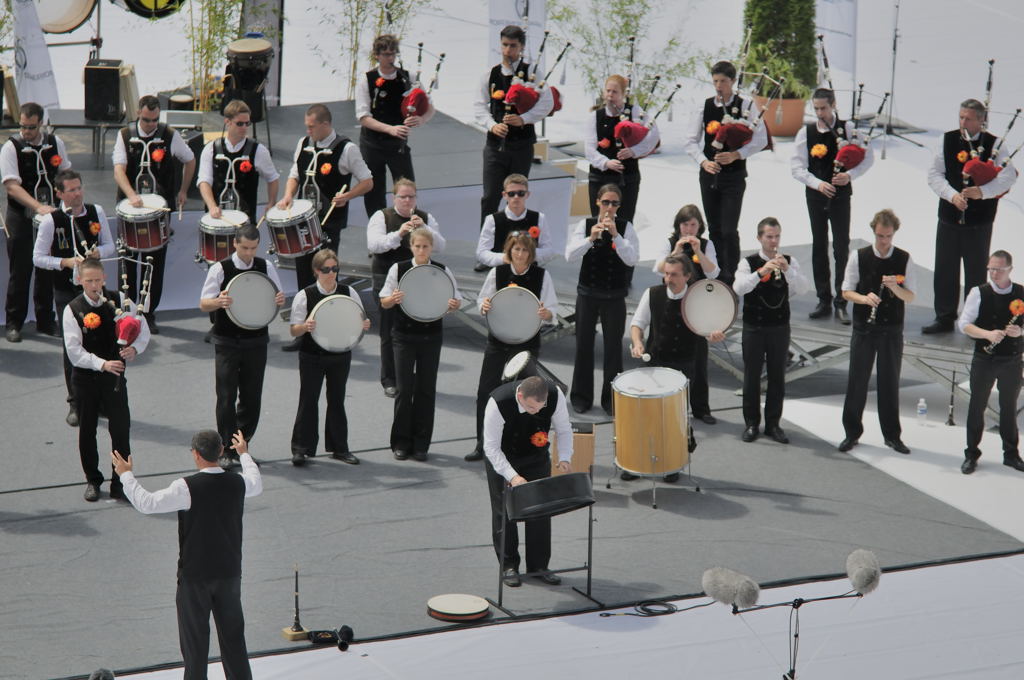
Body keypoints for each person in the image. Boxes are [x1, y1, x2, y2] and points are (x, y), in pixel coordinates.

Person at [111, 429, 261, 680]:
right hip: (229, 573)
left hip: (195, 578)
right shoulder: (238, 483)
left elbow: (147, 503)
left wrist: (126, 475)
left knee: (195, 647)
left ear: (195, 454)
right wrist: (244, 454)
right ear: (221, 451)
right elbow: (255, 481)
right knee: (234, 640)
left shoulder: (186, 487)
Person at [923, 98, 1017, 334]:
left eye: (968, 118)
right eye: (961, 117)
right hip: (949, 217)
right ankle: (944, 317)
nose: (963, 122)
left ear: (981, 120)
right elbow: (934, 174)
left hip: (979, 221)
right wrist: (951, 195)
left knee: (976, 272)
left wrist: (982, 192)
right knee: (945, 268)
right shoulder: (947, 140)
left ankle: (973, 321)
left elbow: (1008, 178)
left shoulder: (995, 144)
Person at [33, 170, 117, 426]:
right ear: (59, 193)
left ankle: (101, 399)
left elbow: (109, 245)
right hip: (67, 291)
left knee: (101, 340)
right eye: (71, 190)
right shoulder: (52, 220)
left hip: (93, 289)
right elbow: (38, 257)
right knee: (73, 346)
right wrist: (66, 262)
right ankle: (76, 402)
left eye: (79, 187)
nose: (77, 193)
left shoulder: (96, 211)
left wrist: (96, 253)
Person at [466, 231, 559, 462]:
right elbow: (482, 300)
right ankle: (482, 443)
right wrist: (484, 305)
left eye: (525, 250)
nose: (520, 254)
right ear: (509, 251)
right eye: (516, 249)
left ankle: (516, 444)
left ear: (531, 254)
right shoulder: (496, 273)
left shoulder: (542, 276)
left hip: (527, 344)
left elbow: (552, 311)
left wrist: (547, 313)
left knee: (523, 395)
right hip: (497, 341)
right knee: (486, 392)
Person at [63, 258, 150, 502]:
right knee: (87, 430)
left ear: (105, 279)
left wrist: (136, 349)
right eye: (89, 280)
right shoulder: (73, 309)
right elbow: (74, 352)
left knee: (121, 429)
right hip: (86, 379)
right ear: (79, 280)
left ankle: (120, 482)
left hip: (114, 379)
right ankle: (93, 479)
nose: (94, 285)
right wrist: (102, 364)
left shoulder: (119, 301)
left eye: (98, 280)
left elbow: (141, 328)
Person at [198, 224, 284, 465]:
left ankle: (241, 446)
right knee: (225, 395)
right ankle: (225, 449)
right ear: (235, 244)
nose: (249, 253)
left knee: (252, 396)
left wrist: (279, 298)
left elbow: (276, 296)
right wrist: (218, 301)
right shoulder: (220, 268)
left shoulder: (265, 266)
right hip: (227, 340)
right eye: (245, 247)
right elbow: (204, 304)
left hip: (256, 339)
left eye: (253, 248)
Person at [112, 94, 196, 334]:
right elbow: (119, 170)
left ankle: (148, 313)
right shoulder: (125, 135)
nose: (151, 124)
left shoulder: (169, 135)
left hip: (159, 210)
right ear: (139, 113)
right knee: (127, 260)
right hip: (130, 209)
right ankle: (127, 312)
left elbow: (189, 160)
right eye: (147, 120)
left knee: (154, 263)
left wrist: (182, 190)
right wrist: (130, 195)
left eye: (155, 120)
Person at [791, 88, 874, 325]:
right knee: (819, 246)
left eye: (823, 108)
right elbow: (797, 167)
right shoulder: (806, 132)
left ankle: (842, 300)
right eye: (816, 109)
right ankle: (823, 298)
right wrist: (817, 184)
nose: (820, 113)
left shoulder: (848, 129)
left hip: (840, 196)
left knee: (840, 247)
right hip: (816, 196)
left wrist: (850, 176)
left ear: (833, 105)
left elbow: (867, 157)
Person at [379, 227, 461, 461]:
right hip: (403, 336)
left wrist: (453, 304)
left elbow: (456, 299)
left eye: (426, 246)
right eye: (418, 246)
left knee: (426, 390)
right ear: (411, 247)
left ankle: (422, 443)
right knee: (404, 390)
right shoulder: (399, 269)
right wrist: (391, 300)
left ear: (431, 247)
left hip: (431, 336)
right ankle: (401, 442)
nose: (422, 250)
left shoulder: (442, 271)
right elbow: (384, 301)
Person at [837, 209, 915, 455]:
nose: (884, 241)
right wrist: (863, 298)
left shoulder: (904, 258)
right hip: (864, 329)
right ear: (874, 232)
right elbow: (846, 291)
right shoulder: (858, 256)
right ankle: (851, 433)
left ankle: (892, 436)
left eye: (888, 236)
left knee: (889, 382)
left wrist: (896, 288)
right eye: (881, 236)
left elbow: (910, 296)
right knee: (857, 381)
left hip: (891, 329)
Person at [483, 375, 572, 587]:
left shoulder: (554, 394)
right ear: (520, 396)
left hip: (536, 456)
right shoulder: (498, 402)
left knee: (541, 509)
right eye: (532, 407)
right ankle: (508, 565)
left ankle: (539, 566)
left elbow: (564, 429)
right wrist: (512, 476)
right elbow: (491, 448)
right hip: (504, 457)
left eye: (541, 407)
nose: (538, 412)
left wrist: (565, 457)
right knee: (504, 511)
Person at [629, 255, 726, 451]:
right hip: (654, 362)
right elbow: (637, 324)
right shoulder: (652, 294)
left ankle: (671, 461)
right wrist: (638, 342)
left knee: (674, 418)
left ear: (687, 276)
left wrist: (714, 336)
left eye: (674, 275)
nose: (668, 279)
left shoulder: (698, 299)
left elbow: (707, 331)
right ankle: (639, 460)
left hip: (683, 364)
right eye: (666, 274)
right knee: (645, 414)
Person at [682, 61, 767, 283]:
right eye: (715, 82)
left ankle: (733, 275)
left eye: (723, 81)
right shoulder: (705, 106)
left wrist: (737, 154)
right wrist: (703, 162)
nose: (719, 86)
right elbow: (690, 141)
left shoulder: (746, 105)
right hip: (709, 175)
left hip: (734, 176)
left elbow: (761, 139)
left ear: (733, 82)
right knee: (715, 228)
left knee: (730, 228)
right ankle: (717, 273)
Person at [276, 103, 373, 296]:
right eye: (307, 126)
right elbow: (295, 175)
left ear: (326, 124)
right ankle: (306, 311)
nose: (308, 130)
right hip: (303, 222)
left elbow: (367, 181)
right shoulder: (303, 143)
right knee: (304, 271)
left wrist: (348, 196)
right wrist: (288, 195)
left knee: (326, 271)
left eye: (312, 126)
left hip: (329, 222)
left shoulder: (346, 148)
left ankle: (328, 309)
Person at [288, 248, 370, 466]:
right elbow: (293, 330)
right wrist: (304, 326)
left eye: (335, 269)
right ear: (316, 271)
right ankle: (301, 448)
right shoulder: (304, 295)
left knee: (337, 400)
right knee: (308, 399)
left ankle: (339, 448)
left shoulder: (349, 292)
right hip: (312, 355)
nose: (331, 273)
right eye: (326, 269)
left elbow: (359, 321)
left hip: (340, 354)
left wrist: (364, 325)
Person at [366, 178, 446, 397]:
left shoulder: (426, 217)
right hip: (387, 279)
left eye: (411, 196)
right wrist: (400, 233)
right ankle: (390, 379)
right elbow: (374, 245)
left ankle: (414, 379)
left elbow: (440, 246)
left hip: (419, 284)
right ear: (394, 198)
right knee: (389, 331)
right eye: (403, 196)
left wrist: (423, 227)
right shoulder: (382, 216)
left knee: (415, 331)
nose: (407, 200)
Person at [565, 183, 639, 415]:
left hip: (614, 296)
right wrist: (590, 238)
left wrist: (616, 235)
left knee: (613, 349)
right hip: (588, 294)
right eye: (605, 202)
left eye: (614, 203)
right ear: (597, 202)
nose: (609, 208)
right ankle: (581, 397)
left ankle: (612, 400)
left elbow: (632, 259)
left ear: (619, 205)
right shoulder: (585, 225)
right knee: (583, 346)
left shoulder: (626, 228)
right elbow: (569, 255)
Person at [733, 217, 808, 444]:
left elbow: (803, 289)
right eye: (769, 237)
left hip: (779, 327)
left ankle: (773, 424)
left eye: (776, 236)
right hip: (754, 327)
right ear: (759, 238)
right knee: (752, 377)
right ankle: (751, 423)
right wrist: (761, 271)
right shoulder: (748, 262)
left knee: (777, 376)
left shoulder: (789, 261)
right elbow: (739, 288)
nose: (773, 241)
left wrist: (788, 272)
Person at [2, 101, 71, 342]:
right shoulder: (11, 147)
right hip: (21, 216)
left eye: (31, 127)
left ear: (41, 123)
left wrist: (66, 204)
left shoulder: (55, 143)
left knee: (47, 270)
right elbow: (12, 186)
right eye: (23, 126)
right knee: (20, 272)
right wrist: (37, 206)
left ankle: (44, 320)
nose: (26, 131)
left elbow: (65, 176)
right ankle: (14, 323)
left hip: (49, 217)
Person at [474, 25, 553, 230]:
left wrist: (524, 119)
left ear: (522, 47)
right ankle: (487, 245)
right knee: (490, 197)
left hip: (521, 146)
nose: (508, 50)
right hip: (495, 146)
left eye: (513, 46)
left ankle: (516, 242)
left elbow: (547, 103)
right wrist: (492, 126)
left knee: (517, 195)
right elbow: (479, 107)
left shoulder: (533, 73)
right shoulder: (489, 75)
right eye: (505, 45)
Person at [957, 250, 1024, 474]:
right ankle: (971, 453)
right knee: (977, 406)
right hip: (984, 358)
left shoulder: (1021, 293)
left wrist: (1020, 332)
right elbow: (964, 324)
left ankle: (1011, 454)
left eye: (999, 269)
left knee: (1008, 408)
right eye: (991, 269)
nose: (994, 273)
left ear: (1010, 270)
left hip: (1011, 360)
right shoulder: (979, 292)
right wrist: (987, 334)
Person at [653, 204, 721, 424]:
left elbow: (713, 273)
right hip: (672, 300)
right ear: (678, 225)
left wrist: (698, 251)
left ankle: (701, 408)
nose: (689, 229)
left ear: (700, 226)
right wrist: (677, 251)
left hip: (696, 302)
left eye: (693, 225)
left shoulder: (706, 244)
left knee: (699, 356)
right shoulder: (670, 242)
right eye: (685, 224)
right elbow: (658, 268)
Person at [356, 33, 434, 218]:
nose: (390, 58)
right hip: (372, 143)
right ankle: (378, 228)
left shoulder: (408, 77)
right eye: (385, 54)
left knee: (406, 186)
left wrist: (421, 119)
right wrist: (390, 128)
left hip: (398, 144)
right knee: (374, 189)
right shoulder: (367, 80)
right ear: (377, 55)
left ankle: (406, 225)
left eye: (393, 54)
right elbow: (363, 116)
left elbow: (429, 106)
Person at [584, 74, 660, 224]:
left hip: (627, 178)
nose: (610, 95)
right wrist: (606, 163)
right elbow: (589, 149)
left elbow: (653, 137)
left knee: (625, 222)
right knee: (598, 220)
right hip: (600, 177)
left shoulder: (636, 113)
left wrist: (634, 151)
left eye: (615, 92)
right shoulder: (595, 117)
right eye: (608, 91)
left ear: (623, 94)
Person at [197, 99, 279, 224]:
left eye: (247, 123)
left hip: (245, 221)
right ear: (227, 122)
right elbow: (204, 181)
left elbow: (272, 178)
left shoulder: (259, 150)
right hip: (216, 218)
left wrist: (271, 203)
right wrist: (212, 206)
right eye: (240, 124)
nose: (245, 128)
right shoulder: (210, 149)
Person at [475, 173, 557, 268]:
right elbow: (481, 252)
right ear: (504, 195)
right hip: (501, 272)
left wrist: (527, 254)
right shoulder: (492, 219)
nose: (516, 197)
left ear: (527, 194)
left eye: (521, 193)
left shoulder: (540, 218)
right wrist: (505, 258)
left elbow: (549, 251)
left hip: (530, 273)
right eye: (511, 193)